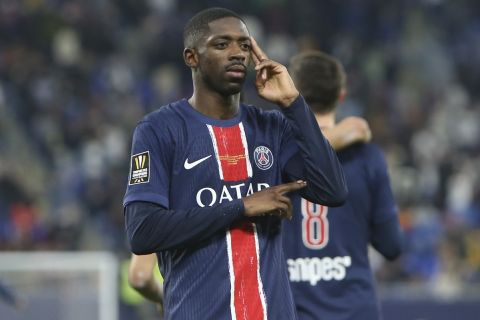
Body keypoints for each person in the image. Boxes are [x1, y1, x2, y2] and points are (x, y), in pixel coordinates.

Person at [123, 7, 347, 319]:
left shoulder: (272, 127)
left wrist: (293, 104)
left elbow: (332, 191)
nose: (237, 53)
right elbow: (143, 232)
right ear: (192, 58)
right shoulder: (159, 130)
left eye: (244, 45)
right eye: (221, 44)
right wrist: (240, 208)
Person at [282, 50, 404, 320]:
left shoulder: (273, 155)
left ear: (292, 95)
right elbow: (391, 245)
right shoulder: (368, 157)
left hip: (292, 309)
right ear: (341, 96)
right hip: (355, 309)